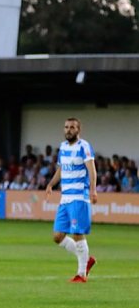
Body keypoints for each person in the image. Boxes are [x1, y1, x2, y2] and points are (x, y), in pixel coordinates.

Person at [45, 118, 97, 283]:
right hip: (65, 197)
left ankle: (81, 274)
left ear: (78, 129)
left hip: (79, 197)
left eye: (72, 127)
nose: (68, 130)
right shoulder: (63, 147)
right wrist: (51, 184)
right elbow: (61, 169)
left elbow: (91, 170)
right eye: (66, 127)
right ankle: (86, 258)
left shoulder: (84, 146)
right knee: (57, 236)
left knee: (77, 233)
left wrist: (93, 190)